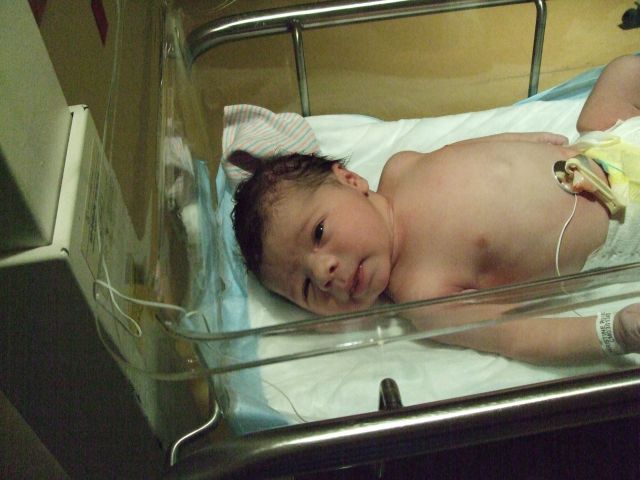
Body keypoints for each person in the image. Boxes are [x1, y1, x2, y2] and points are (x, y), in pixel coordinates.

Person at [230, 55, 640, 364]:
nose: (323, 274)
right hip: (622, 220)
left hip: (599, 146)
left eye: (319, 233)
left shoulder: (400, 166)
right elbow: (516, 336)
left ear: (351, 180)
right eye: (305, 288)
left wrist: (522, 141)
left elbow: (461, 151)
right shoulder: (423, 296)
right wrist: (612, 332)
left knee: (623, 71)